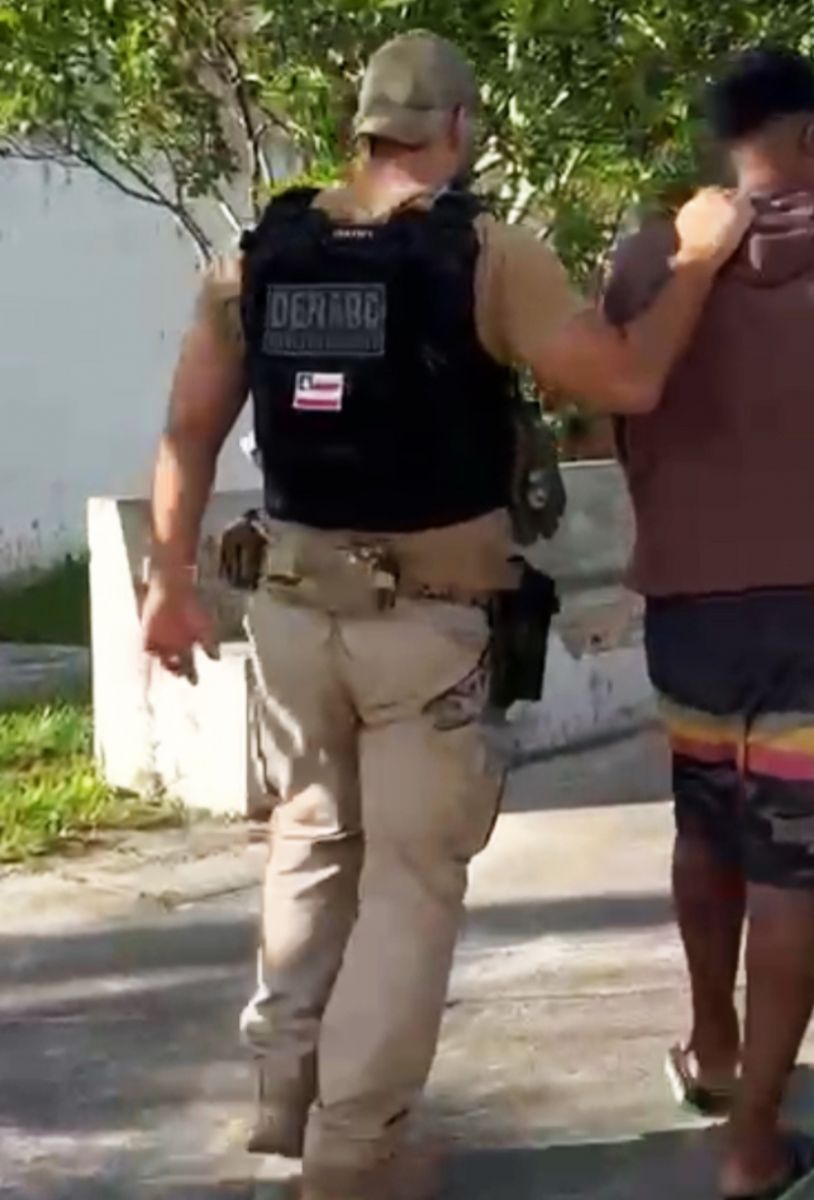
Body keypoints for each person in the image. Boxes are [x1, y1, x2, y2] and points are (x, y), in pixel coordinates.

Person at [139, 31, 752, 1199]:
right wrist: (698, 258)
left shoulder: (260, 256)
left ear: (361, 129)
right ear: (460, 128)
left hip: (290, 613)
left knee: (312, 840)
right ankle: (356, 1153)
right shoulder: (485, 253)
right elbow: (627, 379)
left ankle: (286, 1093)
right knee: (410, 885)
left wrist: (168, 581)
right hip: (424, 627)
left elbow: (187, 432)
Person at [603, 47, 814, 1200]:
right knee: (792, 869)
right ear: (809, 136)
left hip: (692, 607)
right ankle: (753, 1143)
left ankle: (712, 1045)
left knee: (707, 829)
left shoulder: (648, 260)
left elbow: (624, 426)